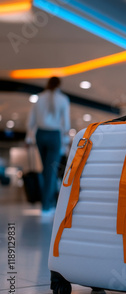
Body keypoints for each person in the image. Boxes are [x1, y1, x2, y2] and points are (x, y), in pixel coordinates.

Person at [26, 76, 70, 217]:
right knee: (51, 170)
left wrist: (28, 137)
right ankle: (46, 205)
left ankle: (47, 203)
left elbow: (31, 120)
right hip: (54, 135)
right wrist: (65, 139)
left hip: (41, 134)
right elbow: (66, 123)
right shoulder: (63, 99)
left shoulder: (39, 98)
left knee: (46, 169)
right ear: (59, 85)